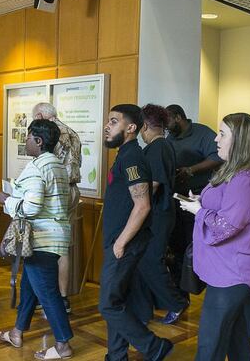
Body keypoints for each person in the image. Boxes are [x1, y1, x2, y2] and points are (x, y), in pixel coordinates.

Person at [178, 113, 250, 360]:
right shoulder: (235, 172)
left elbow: (225, 227)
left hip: (232, 273)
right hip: (227, 270)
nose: (216, 139)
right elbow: (227, 208)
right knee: (236, 342)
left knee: (210, 346)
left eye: (222, 134)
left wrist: (200, 211)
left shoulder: (244, 179)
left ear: (239, 140)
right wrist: (200, 201)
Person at [0, 119, 74, 359]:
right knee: (29, 288)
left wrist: (6, 200)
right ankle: (17, 332)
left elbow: (31, 207)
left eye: (28, 137)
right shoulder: (57, 164)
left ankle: (63, 345)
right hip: (54, 236)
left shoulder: (37, 167)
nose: (25, 141)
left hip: (41, 239)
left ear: (38, 141)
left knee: (48, 293)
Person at [99, 104, 173, 361]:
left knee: (108, 304)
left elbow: (143, 205)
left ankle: (155, 347)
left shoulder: (132, 157)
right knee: (118, 301)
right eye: (108, 121)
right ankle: (117, 355)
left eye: (114, 121)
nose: (107, 126)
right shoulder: (125, 154)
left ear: (131, 128)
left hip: (125, 243)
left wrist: (120, 243)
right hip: (121, 241)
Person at [131, 104, 188, 325]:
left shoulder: (158, 147)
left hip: (159, 214)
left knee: (151, 260)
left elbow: (153, 184)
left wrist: (135, 206)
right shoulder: (161, 146)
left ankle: (177, 302)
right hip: (157, 213)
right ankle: (145, 307)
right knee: (145, 260)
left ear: (145, 125)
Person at [165, 104, 222, 289]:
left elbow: (218, 157)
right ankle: (180, 290)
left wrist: (191, 170)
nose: (166, 126)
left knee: (192, 245)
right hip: (175, 198)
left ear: (178, 117)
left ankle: (196, 284)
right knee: (176, 246)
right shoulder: (170, 137)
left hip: (196, 198)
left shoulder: (202, 133)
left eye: (168, 121)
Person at [32, 102, 81, 312]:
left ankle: (46, 297)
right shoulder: (72, 132)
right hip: (71, 190)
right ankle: (62, 297)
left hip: (53, 191)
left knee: (45, 245)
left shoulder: (50, 134)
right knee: (63, 246)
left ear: (42, 116)